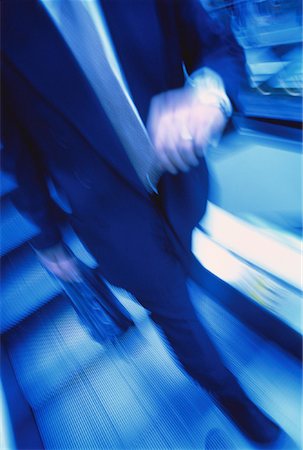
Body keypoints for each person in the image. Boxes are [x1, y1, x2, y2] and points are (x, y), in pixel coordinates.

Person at [2, 0, 280, 444]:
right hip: (108, 215)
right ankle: (240, 409)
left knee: (183, 266)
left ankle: (185, 276)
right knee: (177, 315)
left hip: (182, 179)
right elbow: (16, 149)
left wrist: (210, 94)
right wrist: (49, 236)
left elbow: (216, 44)